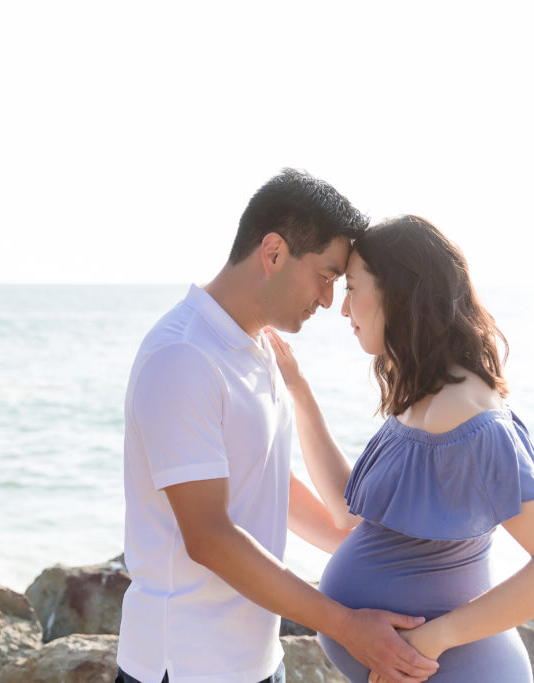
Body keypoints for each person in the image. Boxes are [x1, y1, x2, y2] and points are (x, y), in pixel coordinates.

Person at [117, 171, 441, 683]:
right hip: (184, 667)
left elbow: (269, 484)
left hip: (258, 662)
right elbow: (209, 537)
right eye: (327, 275)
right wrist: (347, 626)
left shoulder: (258, 349)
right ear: (273, 252)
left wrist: (367, 553)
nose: (331, 300)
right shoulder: (183, 357)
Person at [265, 215, 534, 682]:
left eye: (352, 289)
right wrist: (299, 392)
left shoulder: (470, 418)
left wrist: (426, 643)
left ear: (397, 294)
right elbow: (348, 513)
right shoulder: (423, 399)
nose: (343, 310)